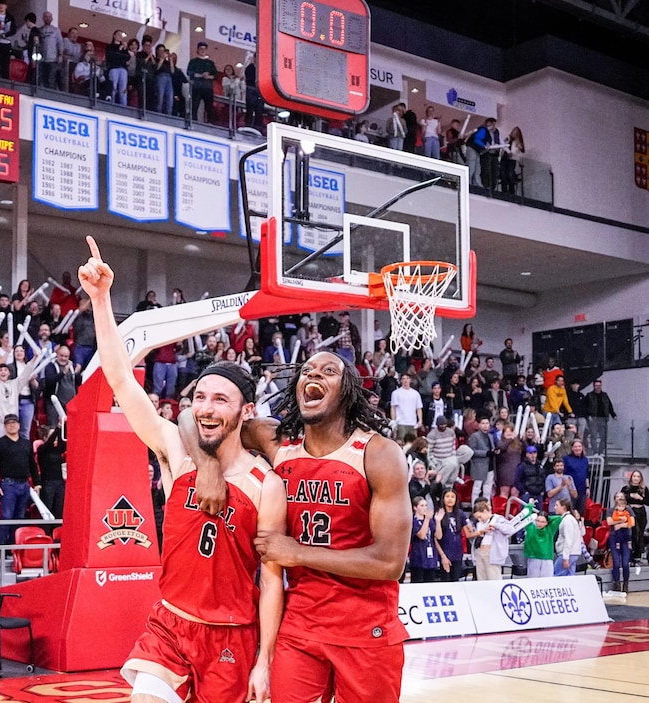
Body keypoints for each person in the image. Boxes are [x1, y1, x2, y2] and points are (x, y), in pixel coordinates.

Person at [79, 236, 284, 703]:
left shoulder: (266, 485)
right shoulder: (177, 450)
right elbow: (119, 379)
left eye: (220, 400)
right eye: (199, 398)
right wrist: (101, 300)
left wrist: (264, 661)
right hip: (169, 625)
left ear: (245, 410)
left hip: (232, 635)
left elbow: (272, 581)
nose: (206, 409)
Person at [206, 345, 412, 702]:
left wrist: (297, 552)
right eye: (307, 370)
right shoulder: (279, 442)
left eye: (328, 371)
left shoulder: (378, 453)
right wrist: (208, 468)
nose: (313, 374)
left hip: (365, 629)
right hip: (300, 625)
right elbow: (197, 422)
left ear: (347, 392)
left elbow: (389, 563)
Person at [0, 414, 40, 546]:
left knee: (19, 518)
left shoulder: (26, 443)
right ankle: (0, 547)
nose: (12, 425)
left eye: (14, 422)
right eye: (9, 423)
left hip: (24, 484)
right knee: (6, 517)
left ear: (19, 425)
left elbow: (32, 465)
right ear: (5, 426)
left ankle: (13, 547)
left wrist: (37, 483)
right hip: (8, 484)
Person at [466, 498, 516, 581]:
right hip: (479, 552)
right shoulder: (479, 523)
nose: (479, 519)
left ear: (485, 511)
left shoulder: (498, 519)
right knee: (481, 578)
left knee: (493, 577)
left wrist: (496, 525)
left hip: (492, 552)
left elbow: (510, 529)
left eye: (480, 516)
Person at [408, 496, 441, 583]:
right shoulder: (412, 521)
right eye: (421, 505)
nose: (425, 508)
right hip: (418, 558)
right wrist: (426, 519)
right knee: (418, 582)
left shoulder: (430, 520)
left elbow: (438, 536)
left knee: (430, 583)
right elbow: (421, 535)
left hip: (430, 558)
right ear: (415, 507)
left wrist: (438, 522)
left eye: (426, 505)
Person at [435, 488, 466, 582]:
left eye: (452, 497)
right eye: (447, 496)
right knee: (445, 581)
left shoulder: (460, 514)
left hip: (457, 553)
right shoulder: (438, 514)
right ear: (443, 499)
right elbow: (437, 537)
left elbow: (468, 531)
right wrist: (438, 521)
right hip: (444, 553)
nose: (450, 499)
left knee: (455, 580)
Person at [36, 424, 66, 520]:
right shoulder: (42, 449)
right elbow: (49, 443)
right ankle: (46, 531)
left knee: (59, 509)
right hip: (47, 483)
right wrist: (58, 428)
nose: (55, 438)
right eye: (53, 436)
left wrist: (63, 428)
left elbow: (63, 442)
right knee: (47, 510)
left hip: (59, 483)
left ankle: (56, 531)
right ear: (45, 437)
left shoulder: (58, 449)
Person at [607, 492, 634, 595]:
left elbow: (632, 523)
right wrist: (622, 520)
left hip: (626, 538)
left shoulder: (629, 510)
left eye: (621, 497)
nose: (619, 498)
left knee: (625, 563)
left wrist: (622, 524)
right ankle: (616, 583)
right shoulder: (611, 510)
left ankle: (626, 583)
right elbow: (609, 522)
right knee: (616, 562)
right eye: (617, 496)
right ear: (614, 499)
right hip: (614, 537)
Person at [523, 505, 560, 578]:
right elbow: (526, 516)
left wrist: (545, 516)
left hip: (547, 559)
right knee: (533, 582)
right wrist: (530, 505)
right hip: (533, 558)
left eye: (543, 522)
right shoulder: (530, 527)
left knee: (547, 582)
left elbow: (559, 518)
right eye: (538, 521)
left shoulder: (550, 529)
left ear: (547, 522)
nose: (539, 523)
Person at [620, 469, 647, 565]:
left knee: (640, 533)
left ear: (640, 479)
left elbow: (647, 502)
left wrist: (640, 498)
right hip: (631, 511)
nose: (636, 478)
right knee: (634, 532)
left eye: (638, 476)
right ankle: (631, 556)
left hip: (641, 512)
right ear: (631, 478)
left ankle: (638, 555)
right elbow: (621, 498)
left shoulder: (644, 489)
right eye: (634, 476)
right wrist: (631, 496)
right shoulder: (626, 488)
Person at [586, 379, 616, 455]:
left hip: (603, 418)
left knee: (603, 436)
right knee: (594, 436)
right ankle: (595, 451)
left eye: (599, 385)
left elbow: (609, 405)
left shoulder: (605, 395)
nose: (598, 387)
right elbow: (585, 406)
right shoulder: (589, 395)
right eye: (596, 385)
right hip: (593, 418)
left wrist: (613, 415)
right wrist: (587, 416)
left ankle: (601, 451)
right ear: (593, 386)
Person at [554, 497, 582, 576]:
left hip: (568, 554)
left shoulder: (567, 520)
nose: (554, 507)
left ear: (563, 507)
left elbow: (568, 540)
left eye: (557, 505)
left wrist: (565, 557)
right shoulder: (570, 519)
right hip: (572, 553)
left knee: (557, 575)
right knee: (570, 577)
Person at [563, 440, 590, 514]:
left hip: (582, 491)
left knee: (580, 513)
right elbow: (564, 475)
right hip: (570, 491)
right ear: (572, 448)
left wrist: (587, 488)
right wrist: (569, 488)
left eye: (579, 446)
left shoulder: (585, 460)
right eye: (575, 447)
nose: (577, 448)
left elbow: (586, 475)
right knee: (570, 512)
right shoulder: (566, 459)